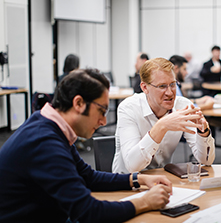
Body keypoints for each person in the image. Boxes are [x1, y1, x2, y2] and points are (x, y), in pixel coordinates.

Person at [0, 69, 173, 223]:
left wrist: (139, 179)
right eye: (101, 111)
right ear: (79, 103)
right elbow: (89, 212)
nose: (104, 121)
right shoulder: (44, 143)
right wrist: (145, 202)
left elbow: (87, 177)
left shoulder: (50, 126)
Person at [112, 58, 215, 174]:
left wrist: (203, 133)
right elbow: (133, 166)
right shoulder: (128, 108)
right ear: (145, 88)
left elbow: (206, 161)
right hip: (128, 183)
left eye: (173, 84)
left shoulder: (183, 105)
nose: (170, 93)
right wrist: (161, 126)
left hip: (163, 180)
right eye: (162, 86)